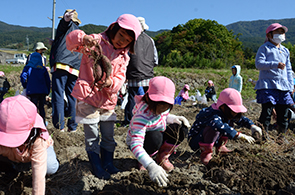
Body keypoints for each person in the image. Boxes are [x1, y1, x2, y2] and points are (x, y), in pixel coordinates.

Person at [66, 13, 142, 180]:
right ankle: (97, 165)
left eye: (127, 40)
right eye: (121, 35)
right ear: (114, 28)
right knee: (92, 135)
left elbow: (121, 78)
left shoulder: (124, 56)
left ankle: (108, 163)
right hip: (88, 96)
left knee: (108, 134)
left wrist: (109, 83)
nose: (122, 41)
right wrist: (83, 38)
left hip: (108, 99)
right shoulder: (96, 41)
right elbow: (70, 42)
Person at [126, 76, 191, 187]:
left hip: (158, 134)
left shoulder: (161, 109)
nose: (163, 108)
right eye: (160, 104)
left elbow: (162, 116)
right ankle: (145, 160)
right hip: (145, 142)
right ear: (150, 99)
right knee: (155, 137)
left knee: (180, 128)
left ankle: (162, 156)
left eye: (166, 105)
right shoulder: (141, 116)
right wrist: (150, 165)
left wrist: (174, 118)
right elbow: (135, 145)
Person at [0, 95, 59, 195]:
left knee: (50, 166)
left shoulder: (38, 139)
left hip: (32, 153)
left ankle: (26, 164)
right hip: (13, 154)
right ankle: (14, 165)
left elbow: (39, 176)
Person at [188, 88, 262, 165]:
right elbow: (218, 125)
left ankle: (220, 146)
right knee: (216, 127)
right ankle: (206, 153)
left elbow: (241, 119)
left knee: (229, 122)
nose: (235, 114)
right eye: (233, 111)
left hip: (211, 139)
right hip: (196, 141)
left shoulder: (226, 113)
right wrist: (237, 134)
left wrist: (252, 126)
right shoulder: (212, 114)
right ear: (223, 106)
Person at [255, 23, 294, 143]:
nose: (280, 35)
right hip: (268, 85)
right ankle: (263, 135)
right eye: (277, 32)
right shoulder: (264, 48)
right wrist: (274, 64)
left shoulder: (285, 50)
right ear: (269, 35)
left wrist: (291, 85)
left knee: (283, 112)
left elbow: (288, 70)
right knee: (267, 112)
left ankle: (281, 136)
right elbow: (258, 64)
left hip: (283, 86)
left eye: (282, 33)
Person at [50, 9, 82, 132]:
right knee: (72, 96)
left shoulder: (67, 25)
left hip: (62, 64)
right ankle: (72, 126)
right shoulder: (80, 33)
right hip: (75, 67)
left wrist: (65, 20)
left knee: (58, 95)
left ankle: (59, 126)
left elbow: (64, 25)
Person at [124, 16, 158, 126]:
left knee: (132, 98)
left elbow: (126, 56)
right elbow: (155, 59)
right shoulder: (150, 40)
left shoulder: (130, 39)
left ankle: (129, 120)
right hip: (148, 73)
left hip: (133, 72)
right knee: (148, 98)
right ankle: (148, 118)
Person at [20, 42, 51, 123]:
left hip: (32, 90)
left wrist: (26, 86)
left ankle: (33, 123)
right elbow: (48, 80)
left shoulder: (28, 67)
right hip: (42, 91)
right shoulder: (43, 68)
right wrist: (48, 90)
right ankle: (42, 123)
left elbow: (23, 76)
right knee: (41, 107)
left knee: (33, 107)